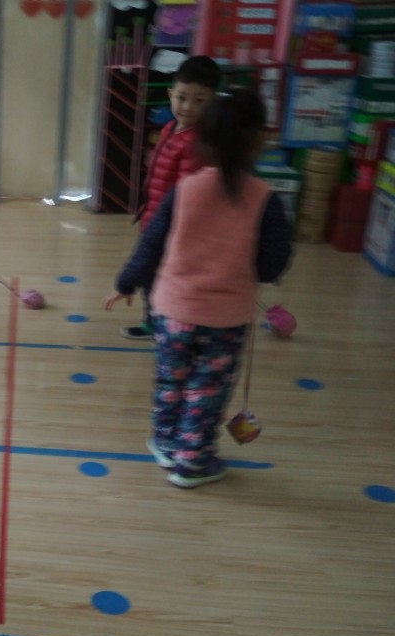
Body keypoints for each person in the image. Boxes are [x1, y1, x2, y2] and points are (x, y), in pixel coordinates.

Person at [104, 88, 292, 488]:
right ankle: (191, 460)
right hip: (225, 321)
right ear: (259, 140)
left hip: (171, 313)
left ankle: (164, 442)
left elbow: (151, 243)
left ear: (203, 140)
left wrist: (125, 283)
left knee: (170, 380)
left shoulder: (185, 189)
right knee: (207, 389)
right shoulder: (265, 200)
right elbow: (272, 264)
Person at [122, 55, 221, 340]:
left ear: (212, 102)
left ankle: (164, 324)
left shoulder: (197, 141)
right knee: (150, 273)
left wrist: (175, 225)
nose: (187, 107)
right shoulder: (169, 128)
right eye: (182, 97)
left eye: (199, 100)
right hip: (154, 217)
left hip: (173, 225)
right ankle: (155, 321)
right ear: (170, 94)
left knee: (160, 275)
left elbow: (187, 191)